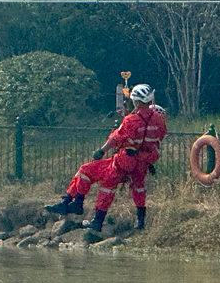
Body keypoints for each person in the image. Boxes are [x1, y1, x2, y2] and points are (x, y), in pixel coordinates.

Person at [45, 84, 167, 232]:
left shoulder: (131, 120)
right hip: (143, 163)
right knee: (139, 189)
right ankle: (140, 221)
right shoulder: (159, 120)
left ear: (137, 101)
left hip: (125, 160)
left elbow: (116, 138)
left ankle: (83, 209)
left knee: (92, 175)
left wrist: (102, 150)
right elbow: (157, 139)